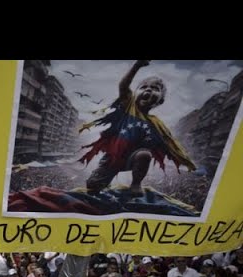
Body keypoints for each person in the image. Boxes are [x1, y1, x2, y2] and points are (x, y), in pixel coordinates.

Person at [79, 60, 196, 195]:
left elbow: (170, 142)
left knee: (144, 154)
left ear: (160, 101)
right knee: (92, 186)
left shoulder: (156, 124)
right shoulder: (128, 108)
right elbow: (123, 86)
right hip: (113, 156)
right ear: (134, 95)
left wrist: (186, 160)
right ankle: (100, 183)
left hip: (134, 158)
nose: (148, 89)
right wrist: (136, 66)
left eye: (155, 88)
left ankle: (136, 184)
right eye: (144, 87)